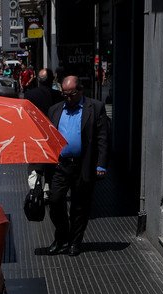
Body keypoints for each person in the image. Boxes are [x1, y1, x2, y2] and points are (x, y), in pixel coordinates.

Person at [43, 76, 110, 256]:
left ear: (80, 90)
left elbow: (102, 139)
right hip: (61, 165)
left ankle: (75, 242)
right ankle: (61, 236)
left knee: (79, 207)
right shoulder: (54, 110)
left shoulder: (95, 108)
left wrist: (101, 165)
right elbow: (47, 138)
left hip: (83, 165)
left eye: (71, 94)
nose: (68, 98)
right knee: (55, 201)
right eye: (64, 94)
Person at [23, 69, 64, 200]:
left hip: (35, 133)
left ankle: (35, 189)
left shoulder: (30, 95)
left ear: (38, 80)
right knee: (51, 164)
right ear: (52, 79)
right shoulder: (58, 95)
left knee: (35, 164)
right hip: (53, 133)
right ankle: (47, 190)